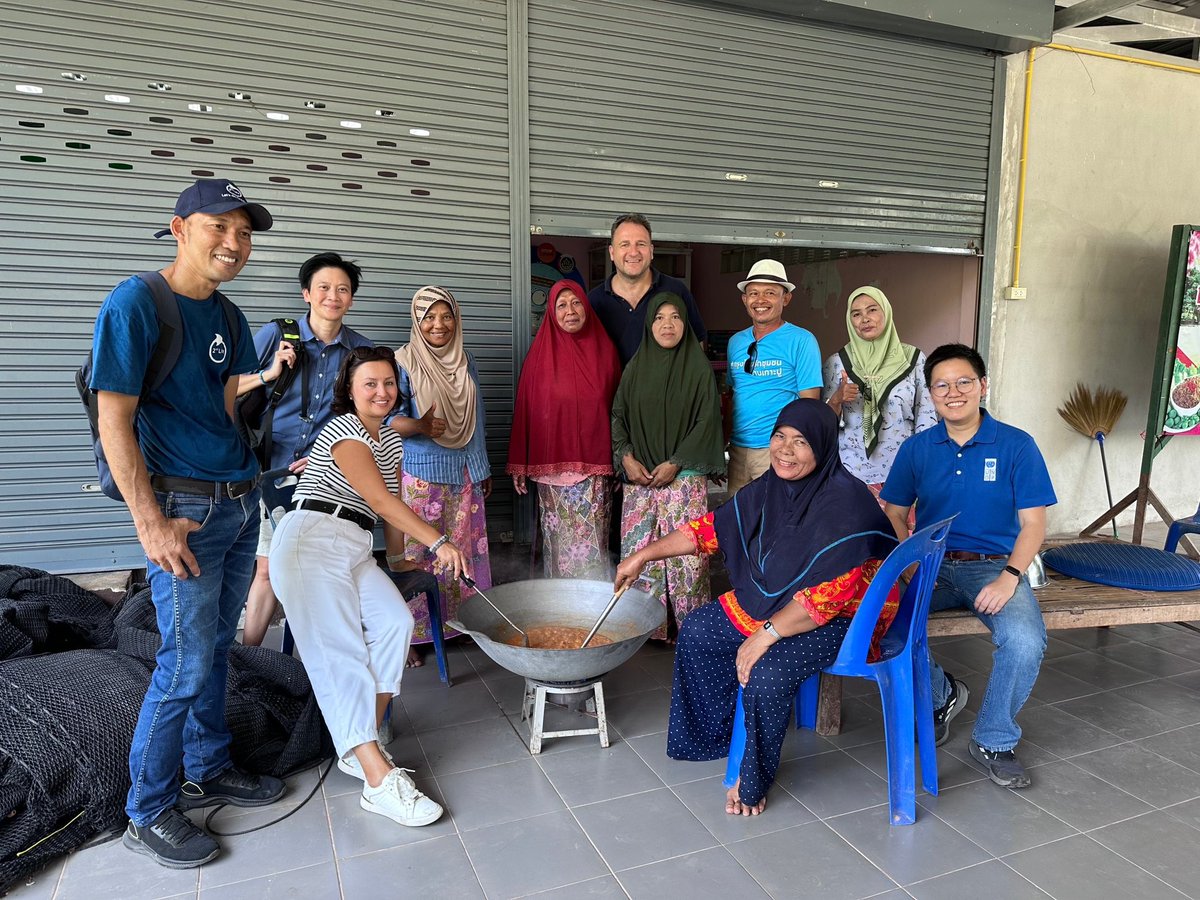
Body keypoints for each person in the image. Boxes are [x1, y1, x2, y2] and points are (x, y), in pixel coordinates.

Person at [89, 178, 285, 869]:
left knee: (213, 650)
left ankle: (209, 763)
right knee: (181, 663)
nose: (234, 243)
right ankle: (147, 809)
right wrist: (150, 524)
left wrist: (253, 470)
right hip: (184, 514)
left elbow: (225, 402)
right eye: (219, 228)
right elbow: (114, 416)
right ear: (178, 229)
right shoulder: (138, 302)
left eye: (245, 232)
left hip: (236, 501)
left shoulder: (230, 318)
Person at [614, 399, 897, 815]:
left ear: (822, 448)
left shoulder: (845, 505)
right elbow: (709, 530)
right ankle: (716, 735)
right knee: (698, 630)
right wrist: (643, 555)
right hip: (781, 601)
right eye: (780, 436)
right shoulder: (769, 488)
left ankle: (753, 777)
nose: (785, 449)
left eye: (801, 442)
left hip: (845, 617)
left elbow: (829, 597)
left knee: (767, 673)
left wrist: (763, 637)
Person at [269, 346, 466, 828]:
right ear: (350, 392)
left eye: (388, 383)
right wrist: (439, 540)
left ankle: (358, 744)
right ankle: (378, 782)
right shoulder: (345, 430)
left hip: (353, 545)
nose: (381, 392)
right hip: (311, 541)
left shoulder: (392, 442)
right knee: (340, 654)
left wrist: (403, 558)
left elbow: (389, 510)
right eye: (369, 384)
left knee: (396, 622)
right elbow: (376, 496)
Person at [881, 343, 1056, 790]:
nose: (952, 391)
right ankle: (943, 696)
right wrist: (908, 562)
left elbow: (1034, 524)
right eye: (941, 384)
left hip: (993, 566)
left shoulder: (1016, 445)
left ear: (982, 386)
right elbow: (895, 511)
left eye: (963, 382)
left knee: (1023, 640)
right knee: (882, 628)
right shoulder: (918, 448)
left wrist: (1009, 577)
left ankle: (994, 739)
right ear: (931, 392)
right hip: (931, 564)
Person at [236, 252, 375, 647]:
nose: (334, 296)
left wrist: (330, 454)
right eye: (324, 288)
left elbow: (369, 416)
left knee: (321, 571)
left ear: (351, 299)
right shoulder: (276, 335)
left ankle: (319, 660)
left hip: (324, 479)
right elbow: (226, 387)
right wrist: (268, 373)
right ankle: (249, 659)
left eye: (343, 289)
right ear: (306, 294)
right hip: (270, 470)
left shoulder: (360, 352)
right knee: (266, 570)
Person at [611, 293, 725, 639]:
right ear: (649, 324)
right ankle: (645, 628)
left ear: (685, 323)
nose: (667, 324)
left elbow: (707, 421)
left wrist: (676, 462)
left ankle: (691, 628)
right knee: (641, 550)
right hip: (640, 478)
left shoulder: (698, 368)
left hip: (683, 478)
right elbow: (618, 415)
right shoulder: (635, 368)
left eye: (676, 317)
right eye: (659, 317)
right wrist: (626, 456)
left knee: (686, 554)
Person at [389, 286, 491, 662]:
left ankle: (457, 623)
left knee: (463, 550)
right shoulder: (402, 362)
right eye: (429, 316)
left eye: (446, 315)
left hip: (465, 473)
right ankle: (413, 636)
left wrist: (482, 467)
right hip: (422, 474)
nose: (439, 324)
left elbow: (476, 418)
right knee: (419, 552)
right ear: (417, 320)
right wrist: (419, 426)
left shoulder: (464, 359)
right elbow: (386, 418)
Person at [507, 280, 621, 578]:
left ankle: (594, 614)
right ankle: (560, 615)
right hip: (552, 476)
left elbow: (620, 414)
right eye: (562, 305)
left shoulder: (606, 353)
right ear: (551, 312)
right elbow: (525, 412)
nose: (570, 311)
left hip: (595, 474)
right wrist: (520, 462)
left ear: (586, 306)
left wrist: (622, 461)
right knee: (558, 550)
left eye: (576, 303)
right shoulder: (538, 357)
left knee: (595, 545)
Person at [823, 286, 937, 504]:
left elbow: (926, 417)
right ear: (850, 320)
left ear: (886, 312)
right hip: (849, 474)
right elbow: (822, 424)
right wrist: (837, 398)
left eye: (872, 310)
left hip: (903, 472)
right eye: (856, 314)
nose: (865, 319)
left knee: (900, 535)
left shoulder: (912, 360)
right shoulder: (837, 363)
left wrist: (924, 468)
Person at [726, 259, 822, 494]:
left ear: (785, 298)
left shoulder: (802, 340)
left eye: (770, 293)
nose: (760, 300)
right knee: (738, 522)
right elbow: (732, 396)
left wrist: (794, 454)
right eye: (754, 293)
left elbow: (809, 404)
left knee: (775, 524)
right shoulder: (735, 342)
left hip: (778, 452)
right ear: (744, 299)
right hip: (737, 451)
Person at [588, 213, 707, 366]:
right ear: (612, 252)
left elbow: (697, 345)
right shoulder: (594, 301)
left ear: (651, 251)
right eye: (624, 244)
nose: (633, 252)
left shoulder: (676, 291)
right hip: (613, 391)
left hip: (667, 390)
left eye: (641, 244)